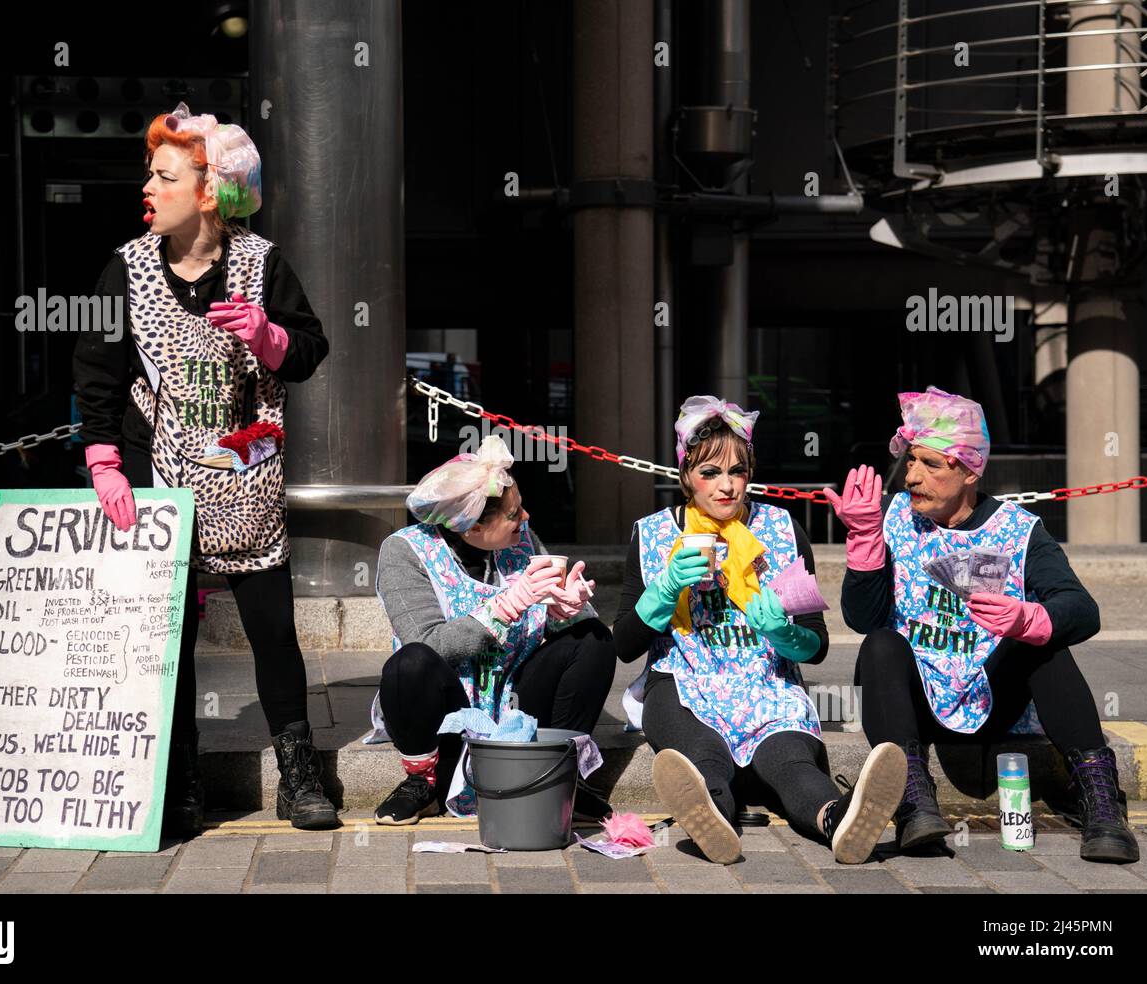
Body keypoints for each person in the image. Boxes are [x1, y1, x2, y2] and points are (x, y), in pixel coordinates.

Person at [72, 102, 337, 835]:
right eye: (149, 176)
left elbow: (311, 351)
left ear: (209, 190)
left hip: (244, 477)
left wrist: (269, 333)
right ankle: (176, 779)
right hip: (155, 480)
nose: (148, 189)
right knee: (167, 640)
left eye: (164, 176)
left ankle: (298, 773)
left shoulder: (260, 263)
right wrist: (104, 464)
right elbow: (96, 372)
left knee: (273, 632)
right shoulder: (123, 269)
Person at [828, 385, 1138, 863]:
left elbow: (1082, 609)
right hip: (915, 704)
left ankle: (1101, 800)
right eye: (910, 461)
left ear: (970, 470)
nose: (911, 476)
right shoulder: (891, 519)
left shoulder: (1019, 529)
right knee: (881, 644)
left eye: (930, 465)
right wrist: (866, 539)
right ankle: (913, 803)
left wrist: (1030, 617)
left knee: (1045, 643)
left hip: (992, 697)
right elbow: (861, 618)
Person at [612, 396, 907, 864]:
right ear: (686, 476)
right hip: (683, 682)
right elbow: (624, 645)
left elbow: (816, 647)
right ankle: (713, 819)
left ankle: (841, 818)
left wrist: (781, 632)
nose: (726, 486)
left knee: (791, 761)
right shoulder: (653, 534)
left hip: (767, 685)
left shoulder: (783, 530)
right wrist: (663, 593)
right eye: (710, 473)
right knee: (703, 756)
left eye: (737, 471)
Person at [370, 435, 617, 824]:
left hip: (516, 701)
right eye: (514, 513)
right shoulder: (405, 551)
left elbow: (558, 622)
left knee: (594, 638)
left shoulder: (522, 542)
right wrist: (504, 608)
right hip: (447, 709)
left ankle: (558, 771)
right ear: (473, 526)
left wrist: (565, 611)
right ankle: (424, 781)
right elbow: (427, 642)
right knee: (409, 663)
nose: (526, 518)